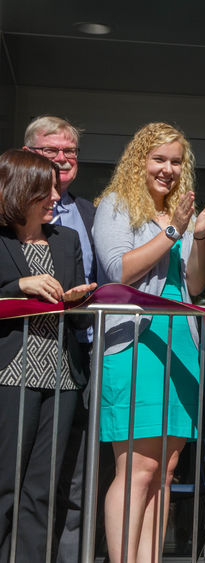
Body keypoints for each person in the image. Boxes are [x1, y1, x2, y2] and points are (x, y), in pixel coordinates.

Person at [92, 122, 205, 563]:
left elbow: (194, 282)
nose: (168, 169)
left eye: (176, 161)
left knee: (166, 472)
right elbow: (119, 270)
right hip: (135, 343)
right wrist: (172, 231)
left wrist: (200, 235)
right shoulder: (115, 205)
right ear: (140, 162)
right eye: (159, 159)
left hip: (180, 343)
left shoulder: (180, 214)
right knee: (136, 468)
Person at [0, 149, 95, 562]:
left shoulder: (67, 240)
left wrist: (78, 302)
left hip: (61, 378)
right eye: (46, 189)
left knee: (43, 490)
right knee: (5, 484)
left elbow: (76, 322)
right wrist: (20, 284)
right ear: (21, 190)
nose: (56, 196)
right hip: (10, 376)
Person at [23, 115, 98, 563]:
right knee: (23, 470)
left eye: (69, 151)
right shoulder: (8, 218)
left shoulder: (91, 212)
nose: (62, 159)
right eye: (52, 151)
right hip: (23, 360)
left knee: (74, 475)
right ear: (28, 155)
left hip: (83, 354)